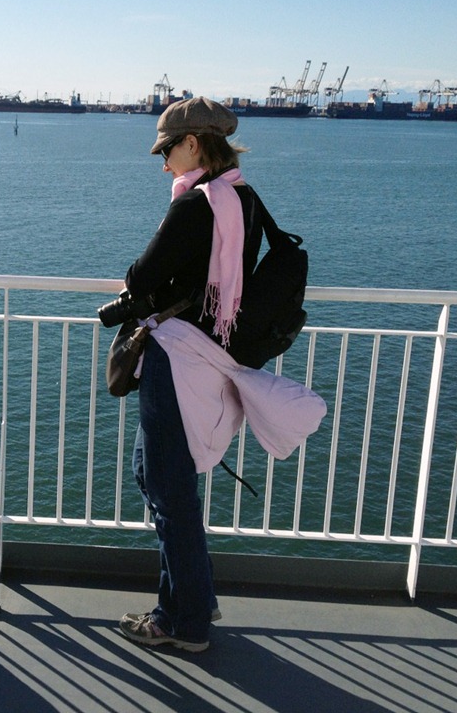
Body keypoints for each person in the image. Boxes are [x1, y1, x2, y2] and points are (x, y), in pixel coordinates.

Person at [117, 97, 324, 653]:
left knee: (169, 489)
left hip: (179, 357)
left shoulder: (195, 204)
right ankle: (195, 596)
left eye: (167, 150)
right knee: (156, 476)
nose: (164, 164)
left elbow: (141, 276)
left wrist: (139, 286)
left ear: (193, 143)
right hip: (216, 353)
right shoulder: (244, 198)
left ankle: (183, 621)